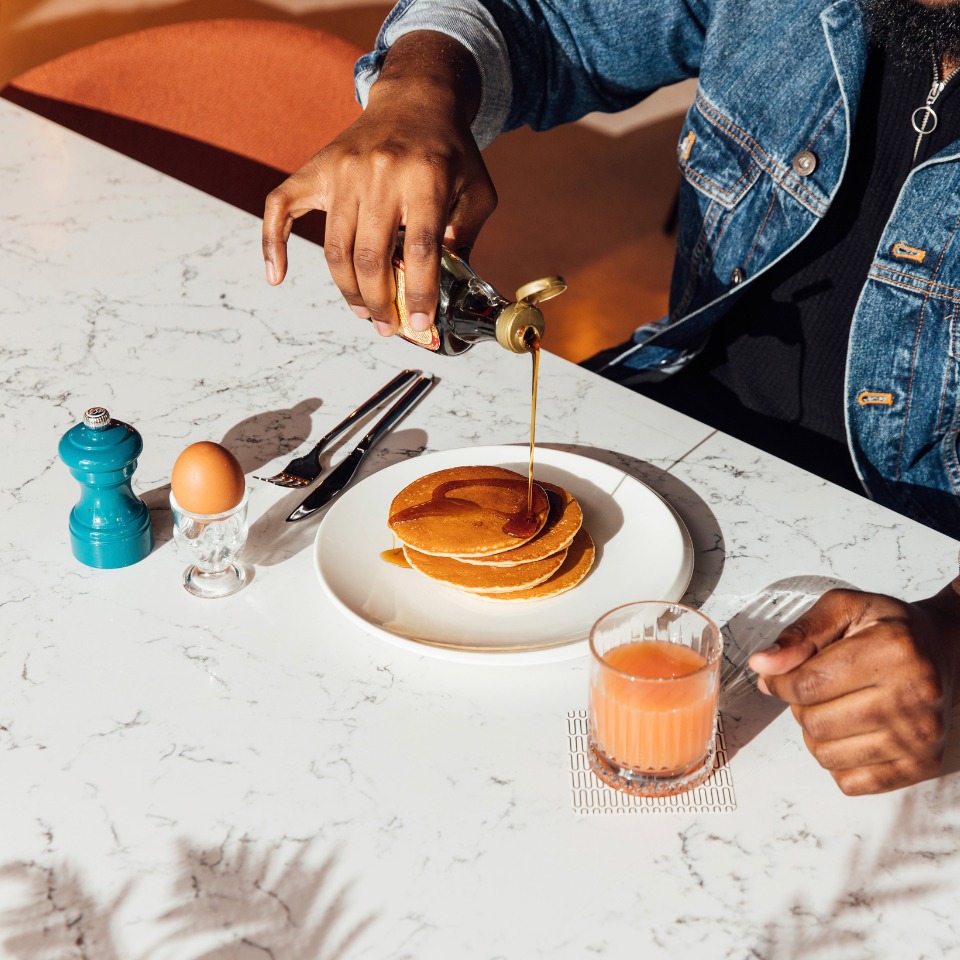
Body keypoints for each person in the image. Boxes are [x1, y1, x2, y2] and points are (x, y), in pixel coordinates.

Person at [261, 0, 960, 795]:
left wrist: (955, 636)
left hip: (909, 581)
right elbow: (544, 20)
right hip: (665, 432)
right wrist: (419, 91)